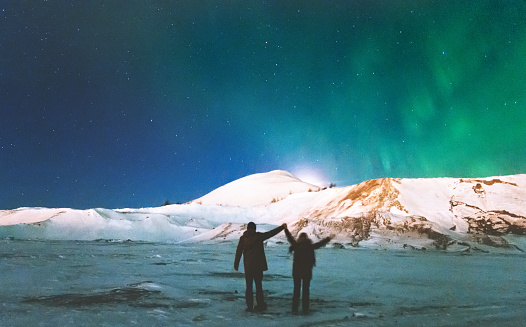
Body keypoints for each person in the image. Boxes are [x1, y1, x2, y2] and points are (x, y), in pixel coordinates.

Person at [234, 222, 287, 312]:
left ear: (247, 229)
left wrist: (236, 264)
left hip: (248, 267)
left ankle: (250, 307)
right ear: (254, 229)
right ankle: (260, 305)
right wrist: (282, 227)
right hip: (258, 266)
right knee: (259, 286)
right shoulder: (258, 237)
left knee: (249, 287)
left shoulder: (243, 239)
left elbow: (238, 252)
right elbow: (271, 233)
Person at [284, 228, 332, 314]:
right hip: (307, 272)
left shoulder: (296, 245)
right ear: (307, 238)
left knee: (296, 291)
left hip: (296, 272)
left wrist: (285, 229)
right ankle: (305, 309)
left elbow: (290, 238)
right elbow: (320, 244)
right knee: (306, 291)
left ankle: (294, 309)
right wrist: (328, 238)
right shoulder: (310, 246)